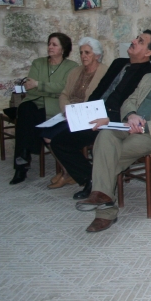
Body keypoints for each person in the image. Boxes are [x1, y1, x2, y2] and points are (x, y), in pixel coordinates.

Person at [74, 39, 151, 233]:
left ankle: (105, 210)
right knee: (105, 136)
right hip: (130, 125)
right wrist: (131, 115)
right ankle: (103, 198)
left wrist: (145, 127)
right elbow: (129, 100)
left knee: (109, 154)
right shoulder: (149, 77)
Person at [50, 31, 151, 200]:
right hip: (95, 112)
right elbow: (99, 90)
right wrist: (85, 110)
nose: (133, 41)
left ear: (148, 52)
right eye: (136, 38)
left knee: (85, 142)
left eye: (140, 41)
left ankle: (95, 183)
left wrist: (108, 119)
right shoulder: (118, 63)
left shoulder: (149, 75)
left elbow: (136, 108)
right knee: (58, 140)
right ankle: (89, 177)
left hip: (114, 122)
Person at [9, 32, 78, 185]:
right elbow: (30, 88)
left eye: (54, 45)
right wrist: (49, 89)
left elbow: (65, 88)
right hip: (35, 103)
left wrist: (39, 84)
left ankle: (22, 162)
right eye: (49, 44)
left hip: (54, 108)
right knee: (25, 109)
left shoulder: (71, 67)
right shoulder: (38, 63)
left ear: (63, 49)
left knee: (29, 120)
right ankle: (22, 161)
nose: (50, 47)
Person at [45, 37, 109, 189]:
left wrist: (78, 113)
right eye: (81, 53)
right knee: (45, 133)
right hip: (70, 114)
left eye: (87, 52)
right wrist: (66, 109)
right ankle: (69, 171)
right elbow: (64, 94)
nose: (83, 56)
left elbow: (102, 100)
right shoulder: (75, 71)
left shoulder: (105, 72)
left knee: (55, 139)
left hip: (88, 118)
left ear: (97, 55)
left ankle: (79, 174)